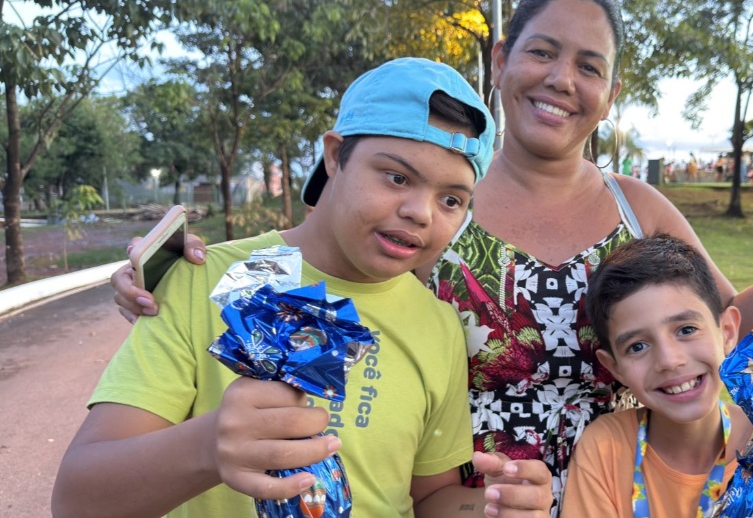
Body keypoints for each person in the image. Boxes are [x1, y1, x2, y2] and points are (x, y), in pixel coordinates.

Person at [110, 0, 753, 513]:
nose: (561, 78)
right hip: (468, 502)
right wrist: (182, 275)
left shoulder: (635, 209)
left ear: (609, 93)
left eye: (590, 65)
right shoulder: (438, 212)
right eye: (541, 50)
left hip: (622, 495)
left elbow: (731, 330)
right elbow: (329, 267)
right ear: (502, 61)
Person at [53, 58, 553, 518]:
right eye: (397, 177)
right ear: (335, 156)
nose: (421, 212)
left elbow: (431, 497)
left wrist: (491, 507)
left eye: (451, 200)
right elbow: (78, 499)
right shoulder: (205, 278)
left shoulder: (440, 326)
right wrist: (207, 448)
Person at [560, 235, 753, 517]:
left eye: (686, 329)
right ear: (615, 368)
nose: (669, 360)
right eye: (637, 346)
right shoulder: (606, 447)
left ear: (727, 332)